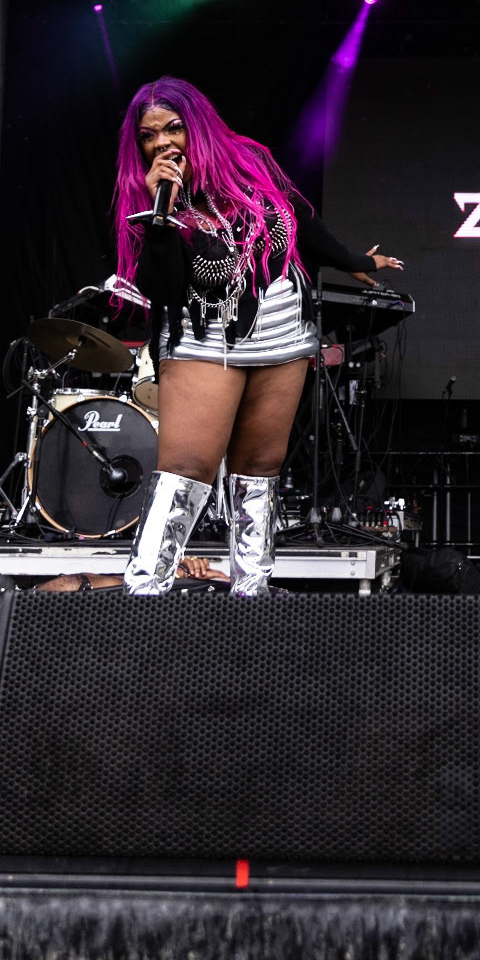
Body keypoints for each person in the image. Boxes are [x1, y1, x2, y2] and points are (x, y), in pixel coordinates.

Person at [114, 77, 403, 596]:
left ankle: (253, 595)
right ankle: (144, 596)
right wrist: (162, 216)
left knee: (260, 468)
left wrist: (352, 260)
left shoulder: (249, 162)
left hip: (281, 331)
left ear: (196, 125)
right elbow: (164, 289)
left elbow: (299, 221)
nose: (162, 143)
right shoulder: (148, 197)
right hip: (203, 340)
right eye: (149, 136)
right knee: (186, 467)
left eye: (173, 128)